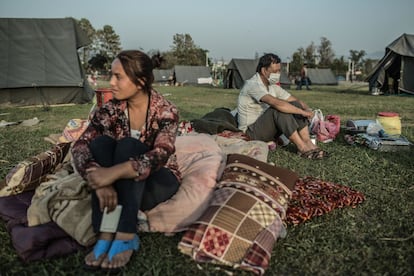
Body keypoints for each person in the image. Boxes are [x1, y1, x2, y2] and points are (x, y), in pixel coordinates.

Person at [71, 50, 181, 271]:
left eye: (118, 76)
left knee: (129, 145)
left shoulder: (166, 111)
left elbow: (161, 153)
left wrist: (112, 173)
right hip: (119, 182)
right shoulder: (110, 109)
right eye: (111, 75)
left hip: (157, 181)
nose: (111, 82)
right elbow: (80, 146)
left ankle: (125, 234)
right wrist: (100, 180)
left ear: (140, 81)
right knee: (100, 143)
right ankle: (106, 233)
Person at [237, 53, 328, 159]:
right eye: (275, 71)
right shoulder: (252, 85)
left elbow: (295, 100)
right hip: (250, 133)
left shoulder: (272, 87)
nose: (278, 74)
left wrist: (307, 109)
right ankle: (302, 147)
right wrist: (302, 112)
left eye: (279, 71)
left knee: (295, 105)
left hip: (266, 129)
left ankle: (308, 142)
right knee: (278, 109)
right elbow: (276, 103)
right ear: (263, 70)